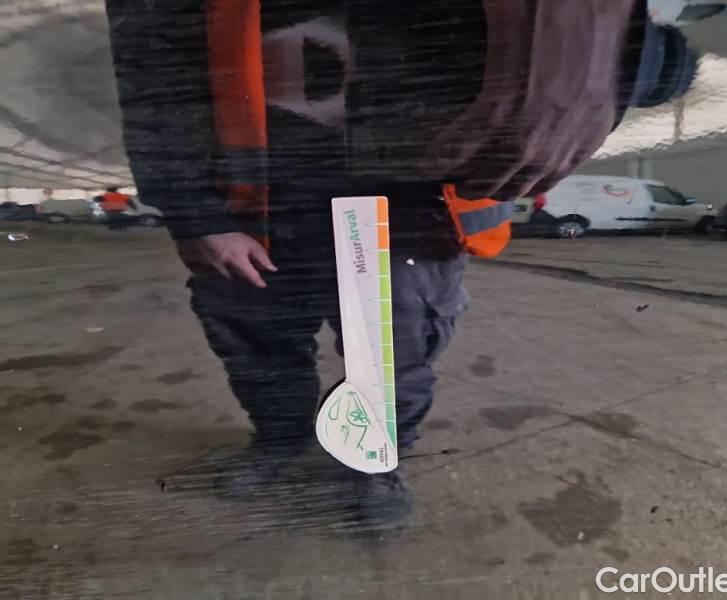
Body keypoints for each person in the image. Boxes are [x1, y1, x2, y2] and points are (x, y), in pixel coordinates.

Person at [105, 0, 695, 523]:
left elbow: (619, 59)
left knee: (392, 360)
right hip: (254, 199)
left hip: (412, 206)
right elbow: (150, 77)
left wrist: (626, 54)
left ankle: (375, 462)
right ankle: (281, 443)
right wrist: (198, 217)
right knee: (258, 347)